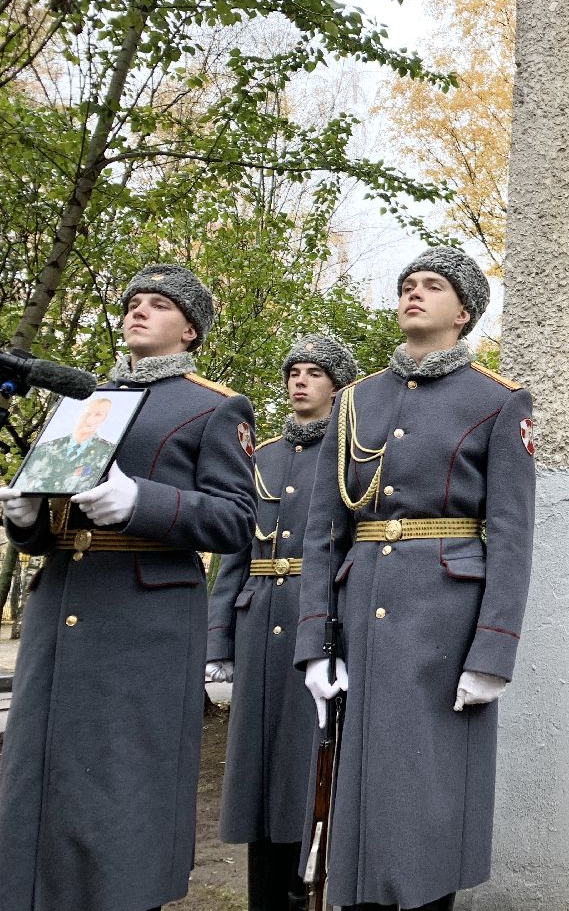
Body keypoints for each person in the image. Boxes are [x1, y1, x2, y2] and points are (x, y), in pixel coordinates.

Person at [0, 263, 256, 911]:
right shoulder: (84, 400)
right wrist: (26, 523)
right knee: (39, 781)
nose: (138, 311)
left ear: (189, 328)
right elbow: (53, 518)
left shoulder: (214, 406)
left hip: (142, 625)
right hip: (61, 607)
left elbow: (235, 519)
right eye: (133, 301)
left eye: (159, 304)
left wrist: (144, 500)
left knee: (121, 791)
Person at [294, 247, 536, 911]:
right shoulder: (354, 403)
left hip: (444, 626)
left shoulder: (497, 401)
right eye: (406, 285)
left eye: (432, 286)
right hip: (361, 608)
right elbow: (323, 530)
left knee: (428, 798)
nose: (414, 293)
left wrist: (493, 652)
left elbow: (512, 537)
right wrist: (315, 642)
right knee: (361, 794)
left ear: (463, 312)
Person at [206, 332, 361, 911]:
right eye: (294, 371)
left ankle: (305, 890)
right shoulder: (263, 456)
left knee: (306, 768)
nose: (300, 380)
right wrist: (217, 645)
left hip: (314, 624)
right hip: (255, 622)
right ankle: (263, 895)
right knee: (254, 776)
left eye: (315, 373)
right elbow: (234, 558)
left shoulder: (352, 453)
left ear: (338, 385)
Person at [15, 394, 118, 492]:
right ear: (77, 414)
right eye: (87, 413)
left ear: (104, 419)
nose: (90, 419)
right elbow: (24, 486)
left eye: (98, 415)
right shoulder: (44, 449)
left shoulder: (109, 451)